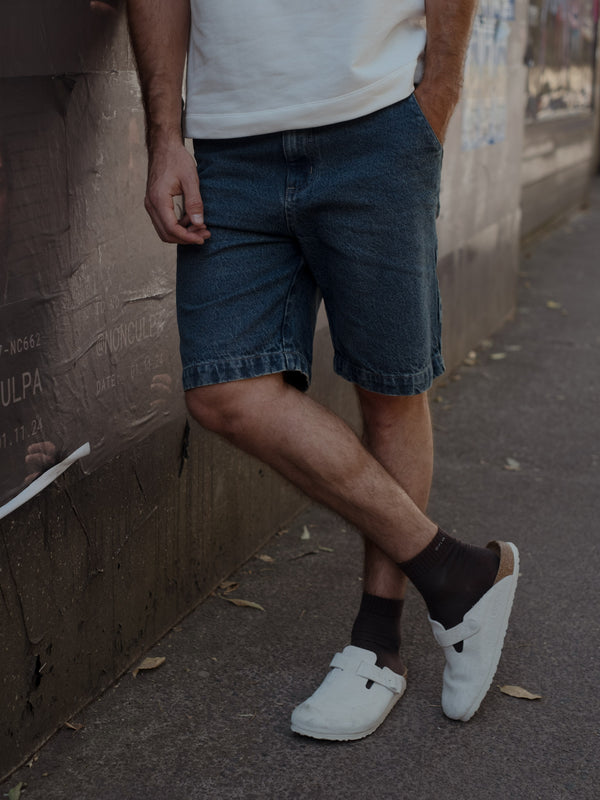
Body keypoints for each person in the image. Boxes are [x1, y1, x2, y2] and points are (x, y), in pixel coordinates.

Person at [126, 0, 520, 739]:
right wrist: (165, 137)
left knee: (390, 388)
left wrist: (438, 94)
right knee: (222, 390)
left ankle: (378, 644)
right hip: (227, 142)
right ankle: (456, 573)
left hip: (376, 119)